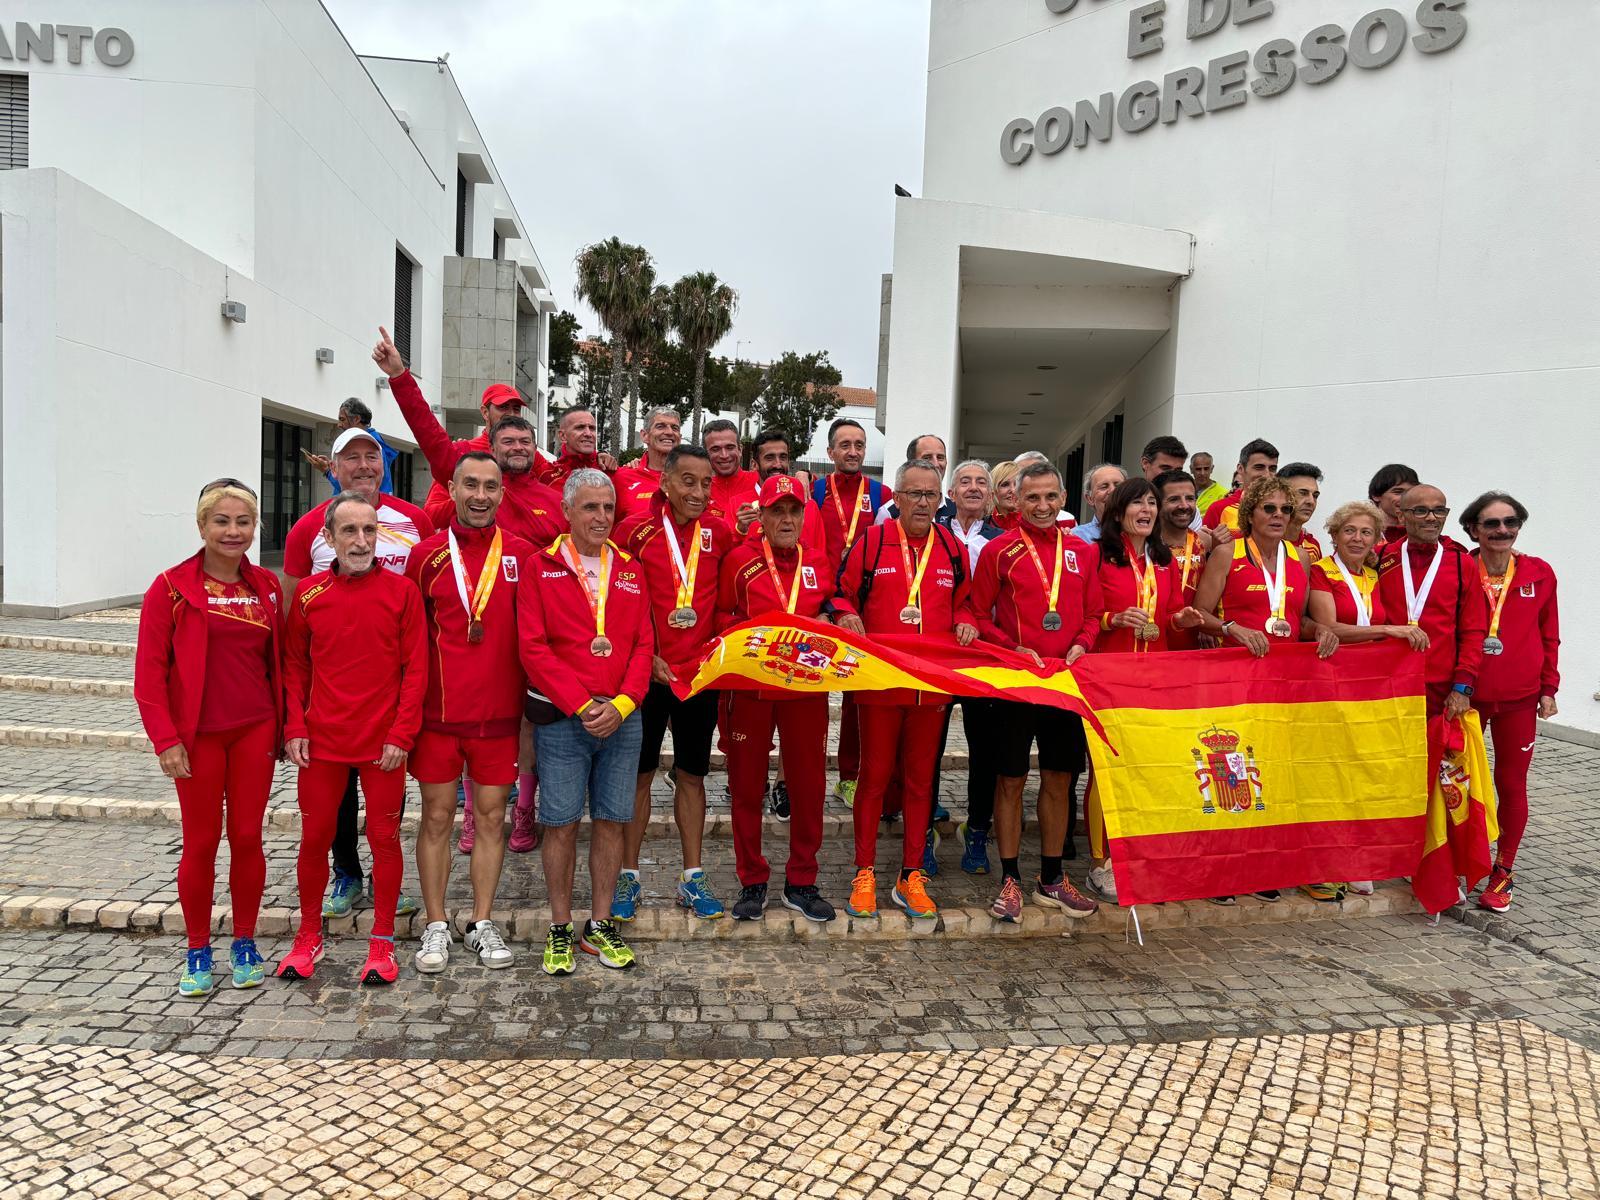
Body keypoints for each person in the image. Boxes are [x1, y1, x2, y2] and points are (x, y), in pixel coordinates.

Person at [377, 330, 559, 855]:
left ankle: (521, 811)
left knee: (525, 732)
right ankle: (478, 813)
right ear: (491, 450)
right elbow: (431, 437)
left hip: (529, 638)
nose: (517, 447)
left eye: (525, 441)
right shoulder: (474, 481)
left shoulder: (552, 495)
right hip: (469, 641)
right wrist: (399, 377)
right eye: (507, 441)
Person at [135, 479, 284, 997]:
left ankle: (244, 940)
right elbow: (149, 674)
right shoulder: (171, 587)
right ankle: (198, 948)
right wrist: (165, 740)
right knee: (201, 842)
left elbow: (279, 664)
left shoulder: (266, 585)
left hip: (255, 728)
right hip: (197, 736)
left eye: (243, 521)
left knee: (247, 837)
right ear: (202, 526)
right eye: (221, 521)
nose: (233, 531)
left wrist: (287, 728)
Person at [282, 426, 432, 921]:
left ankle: (386, 906)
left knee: (385, 825)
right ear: (336, 465)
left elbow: (427, 600)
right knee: (332, 810)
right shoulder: (308, 530)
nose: (364, 465)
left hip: (386, 705)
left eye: (373, 456)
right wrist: (293, 721)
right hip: (329, 714)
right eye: (353, 457)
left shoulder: (414, 520)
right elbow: (295, 638)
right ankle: (346, 873)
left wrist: (404, 727)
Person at [518, 469, 652, 974]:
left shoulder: (632, 569)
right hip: (562, 718)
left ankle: (599, 925)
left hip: (621, 718)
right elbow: (532, 647)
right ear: (568, 511)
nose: (601, 517)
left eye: (608, 509)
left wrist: (622, 704)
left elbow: (643, 644)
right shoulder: (541, 567)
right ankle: (559, 927)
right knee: (561, 824)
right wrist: (580, 704)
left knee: (614, 823)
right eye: (591, 508)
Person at [405, 452, 533, 974]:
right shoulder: (426, 555)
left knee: (491, 819)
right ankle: (436, 924)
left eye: (490, 487)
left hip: (499, 719)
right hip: (437, 718)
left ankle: (481, 922)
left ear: (502, 494)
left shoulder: (523, 555)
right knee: (436, 818)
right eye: (470, 485)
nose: (480, 496)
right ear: (452, 489)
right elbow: (408, 638)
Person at [834, 459, 977, 920]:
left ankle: (911, 874)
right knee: (873, 780)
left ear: (941, 501)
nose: (922, 503)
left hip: (930, 691)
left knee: (920, 783)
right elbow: (840, 592)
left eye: (930, 495)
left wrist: (966, 622)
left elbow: (967, 603)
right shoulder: (872, 542)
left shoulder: (952, 549)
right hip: (880, 685)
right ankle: (865, 870)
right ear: (896, 498)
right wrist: (845, 615)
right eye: (913, 494)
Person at [968, 462, 1101, 923]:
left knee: (1060, 779)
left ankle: (1051, 877)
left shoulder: (1083, 552)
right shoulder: (999, 551)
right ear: (1016, 501)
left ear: (1064, 499)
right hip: (1016, 682)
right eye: (1032, 498)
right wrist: (1013, 648)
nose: (1042, 506)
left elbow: (1094, 613)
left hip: (1065, 683)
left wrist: (1082, 643)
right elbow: (978, 614)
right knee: (1009, 780)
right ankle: (1009, 878)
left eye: (1050, 497)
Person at [614, 445, 736, 922]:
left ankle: (692, 876)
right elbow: (619, 602)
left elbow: (726, 601)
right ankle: (628, 874)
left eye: (706, 483)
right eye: (688, 481)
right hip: (647, 676)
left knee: (692, 775)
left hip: (698, 678)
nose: (699, 492)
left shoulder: (720, 533)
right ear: (665, 482)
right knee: (639, 776)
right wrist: (645, 657)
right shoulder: (633, 532)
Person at [720, 474, 838, 923]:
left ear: (804, 515)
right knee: (747, 788)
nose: (786, 519)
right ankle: (752, 879)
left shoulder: (818, 562)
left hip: (806, 690)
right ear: (762, 515)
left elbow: (832, 603)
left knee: (808, 788)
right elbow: (721, 616)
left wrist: (837, 613)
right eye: (777, 511)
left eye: (794, 511)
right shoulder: (738, 560)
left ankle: (802, 881)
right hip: (750, 691)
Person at [1082, 478, 1206, 901]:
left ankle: (1135, 855)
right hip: (1108, 676)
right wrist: (1111, 621)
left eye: (1152, 503)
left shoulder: (1164, 559)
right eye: (1138, 502)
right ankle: (1100, 864)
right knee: (1105, 771)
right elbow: (1086, 614)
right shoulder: (1097, 555)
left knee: (1144, 770)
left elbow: (1167, 616)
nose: (1148, 510)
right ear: (1118, 511)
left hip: (1154, 679)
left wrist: (1181, 620)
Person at [1461, 491, 1559, 914]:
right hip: (1466, 698)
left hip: (1520, 699)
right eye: (1492, 523)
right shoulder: (1461, 569)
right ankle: (1457, 863)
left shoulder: (1539, 572)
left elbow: (1549, 632)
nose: (1502, 530)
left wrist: (1549, 688)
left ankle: (1503, 869)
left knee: (1511, 785)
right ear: (1473, 530)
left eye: (1510, 522)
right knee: (1457, 782)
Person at [813, 417, 889, 808]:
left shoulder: (882, 493)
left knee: (860, 695)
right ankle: (799, 777)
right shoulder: (813, 491)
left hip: (864, 609)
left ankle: (851, 776)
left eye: (859, 444)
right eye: (845, 444)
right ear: (831, 452)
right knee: (811, 692)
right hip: (821, 604)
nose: (853, 451)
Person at [937, 461, 1005, 874]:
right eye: (965, 481)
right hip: (940, 655)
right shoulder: (936, 536)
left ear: (991, 494)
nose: (974, 488)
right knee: (930, 749)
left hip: (985, 657)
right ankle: (925, 831)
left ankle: (977, 831)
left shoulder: (1004, 540)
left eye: (982, 482)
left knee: (986, 752)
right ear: (952, 491)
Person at [1375, 484, 1488, 718]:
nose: (1432, 518)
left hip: (1438, 686)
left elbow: (1473, 630)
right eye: (1420, 511)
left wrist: (1462, 687)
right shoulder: (1381, 557)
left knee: (1431, 755)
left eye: (1439, 511)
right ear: (1401, 515)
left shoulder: (1460, 563)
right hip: (1385, 680)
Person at [1152, 470, 1214, 648]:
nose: (1184, 505)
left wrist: (1209, 625)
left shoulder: (1206, 543)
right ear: (1157, 504)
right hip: (1152, 639)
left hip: (1192, 640)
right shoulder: (1145, 544)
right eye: (1174, 499)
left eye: (1190, 498)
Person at [305, 398, 401, 496]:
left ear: (356, 419)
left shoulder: (372, 444)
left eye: (342, 419)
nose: (339, 425)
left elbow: (356, 489)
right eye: (352, 458)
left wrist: (327, 470)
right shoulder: (375, 443)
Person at [614, 406, 684, 519]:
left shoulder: (691, 478)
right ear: (645, 435)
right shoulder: (621, 478)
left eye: (675, 428)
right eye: (660, 426)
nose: (669, 432)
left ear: (679, 438)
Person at [876, 434, 956, 524]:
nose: (936, 464)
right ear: (911, 463)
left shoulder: (956, 509)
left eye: (940, 457)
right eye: (927, 458)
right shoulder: (889, 512)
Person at [1203, 439, 1280, 531]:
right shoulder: (1219, 509)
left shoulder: (1284, 510)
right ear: (1240, 468)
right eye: (1259, 467)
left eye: (1272, 468)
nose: (1267, 475)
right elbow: (1202, 544)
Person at [702, 417, 760, 534]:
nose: (724, 455)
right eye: (715, 449)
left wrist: (803, 475)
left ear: (740, 449)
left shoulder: (759, 481)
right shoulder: (699, 489)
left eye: (730, 447)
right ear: (706, 453)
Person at [1277, 462, 1325, 560]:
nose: (1311, 501)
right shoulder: (1260, 541)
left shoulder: (1312, 546)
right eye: (1303, 493)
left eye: (1315, 496)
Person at [1070, 464, 1127, 543]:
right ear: (1089, 499)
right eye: (1104, 487)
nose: (1113, 491)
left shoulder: (1141, 533)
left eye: (1118, 486)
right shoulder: (1075, 537)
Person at [1368, 463, 1421, 544]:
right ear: (1376, 495)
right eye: (1398, 492)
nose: (1406, 498)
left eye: (1411, 492)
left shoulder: (1424, 536)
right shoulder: (1360, 533)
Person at [1190, 451, 1225, 516]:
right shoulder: (1184, 489)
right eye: (1198, 469)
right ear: (1191, 469)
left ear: (1212, 469)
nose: (1202, 473)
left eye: (1206, 469)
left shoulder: (1222, 494)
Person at [990, 461, 1022, 531]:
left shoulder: (1036, 523)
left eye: (1017, 484)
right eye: (1005, 484)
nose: (1013, 490)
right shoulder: (980, 525)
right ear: (993, 490)